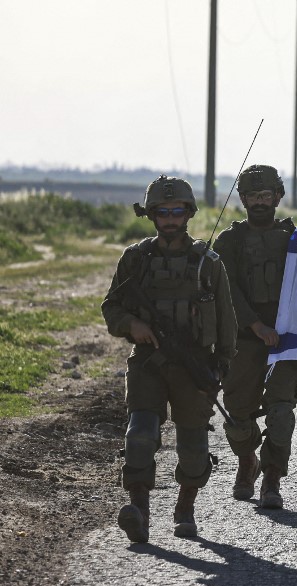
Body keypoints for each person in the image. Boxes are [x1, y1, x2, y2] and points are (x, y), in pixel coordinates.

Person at [102, 175, 236, 542]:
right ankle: (139, 511)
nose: (171, 218)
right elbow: (111, 306)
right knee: (140, 435)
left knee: (193, 450)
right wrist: (132, 324)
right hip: (148, 362)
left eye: (177, 211)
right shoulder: (135, 259)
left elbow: (227, 323)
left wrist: (221, 369)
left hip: (195, 367)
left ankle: (185, 508)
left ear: (189, 213)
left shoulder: (208, 264)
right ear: (151, 215)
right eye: (163, 212)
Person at [212, 165, 297, 510]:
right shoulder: (229, 241)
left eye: (265, 195)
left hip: (286, 342)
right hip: (244, 339)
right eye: (252, 196)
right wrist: (256, 326)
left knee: (281, 412)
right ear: (242, 199)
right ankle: (247, 461)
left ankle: (271, 478)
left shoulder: (295, 238)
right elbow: (227, 293)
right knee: (237, 419)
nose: (259, 202)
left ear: (277, 197)